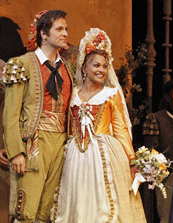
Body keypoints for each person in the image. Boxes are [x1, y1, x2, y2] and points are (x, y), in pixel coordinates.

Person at [50, 28, 146, 223]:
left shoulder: (111, 94)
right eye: (96, 65)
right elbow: (68, 127)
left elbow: (120, 129)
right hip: (76, 156)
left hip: (104, 153)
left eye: (104, 66)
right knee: (77, 204)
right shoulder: (73, 94)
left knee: (104, 206)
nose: (101, 70)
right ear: (84, 68)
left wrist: (132, 160)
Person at [3, 10, 74, 223]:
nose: (65, 34)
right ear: (44, 34)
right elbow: (11, 113)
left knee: (48, 212)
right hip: (34, 143)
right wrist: (16, 152)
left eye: (66, 29)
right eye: (59, 29)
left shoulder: (68, 69)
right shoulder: (21, 64)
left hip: (61, 144)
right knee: (26, 211)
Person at [143, 79, 173, 223]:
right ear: (168, 97)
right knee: (166, 216)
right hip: (167, 178)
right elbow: (150, 153)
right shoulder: (155, 119)